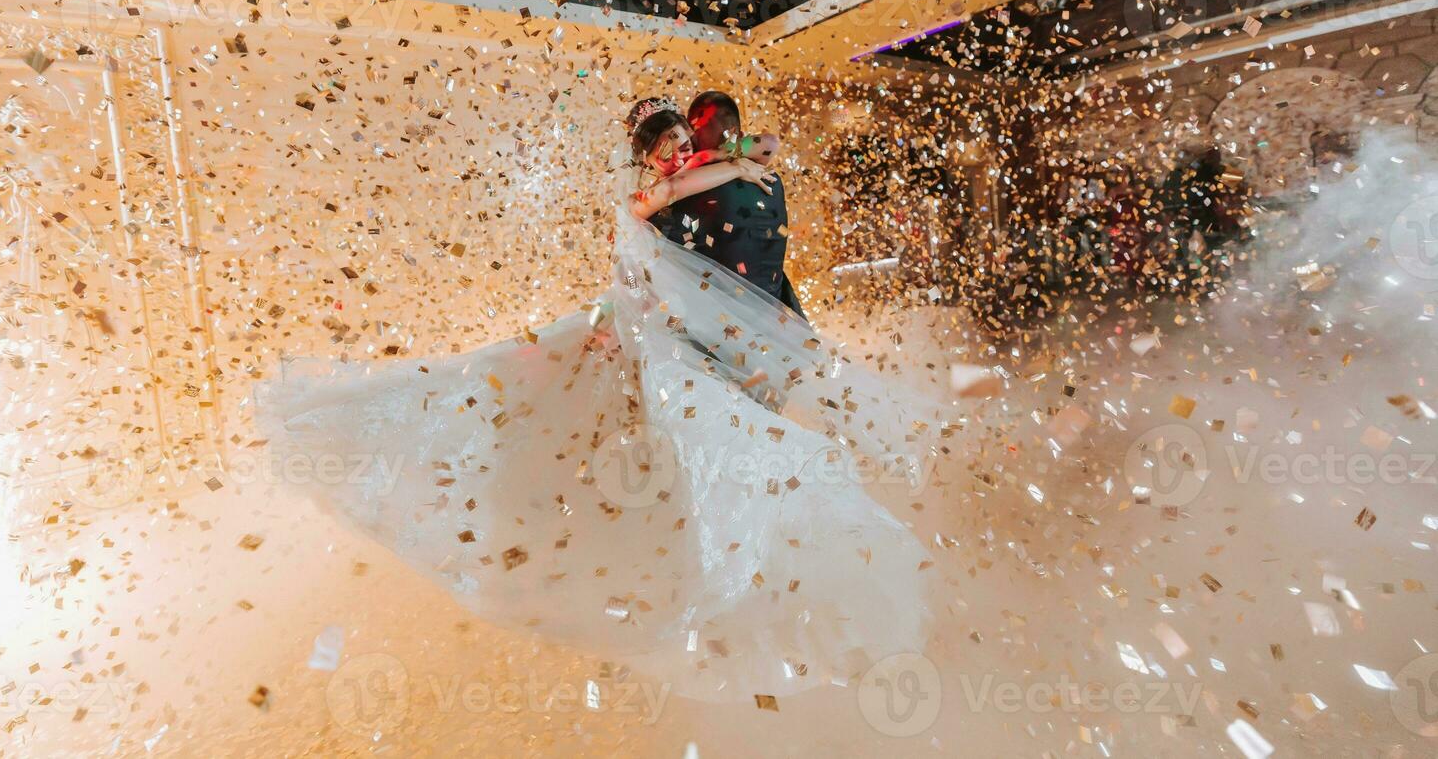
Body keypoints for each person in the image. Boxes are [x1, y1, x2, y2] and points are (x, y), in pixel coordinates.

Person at [260, 96, 956, 702]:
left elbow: (747, 178)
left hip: (691, 348)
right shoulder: (650, 201)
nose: (678, 150)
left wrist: (747, 161)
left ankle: (745, 573)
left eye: (682, 138)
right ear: (649, 157)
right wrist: (735, 168)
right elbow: (653, 226)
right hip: (658, 350)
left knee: (705, 459)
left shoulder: (707, 187)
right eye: (665, 146)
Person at [647, 91, 808, 320]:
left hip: (718, 335)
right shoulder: (772, 179)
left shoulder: (687, 197)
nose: (684, 159)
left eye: (687, 146)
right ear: (740, 135)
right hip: (782, 324)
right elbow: (769, 142)